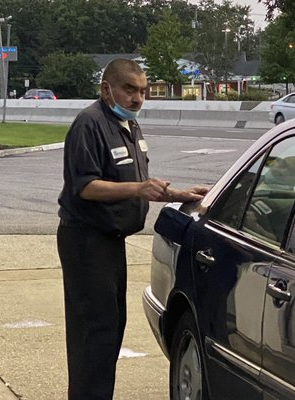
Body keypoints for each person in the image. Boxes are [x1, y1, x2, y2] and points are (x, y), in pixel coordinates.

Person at [57, 58, 208, 400]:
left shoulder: (129, 127)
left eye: (142, 91)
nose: (138, 98)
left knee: (111, 328)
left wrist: (176, 193)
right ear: (106, 88)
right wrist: (139, 190)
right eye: (129, 89)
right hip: (86, 240)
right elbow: (86, 187)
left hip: (111, 242)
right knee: (94, 332)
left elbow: (139, 182)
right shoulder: (89, 124)